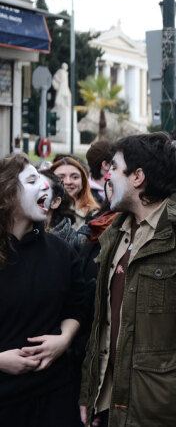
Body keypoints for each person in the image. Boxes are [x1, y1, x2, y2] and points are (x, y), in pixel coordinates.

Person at [78, 132, 176, 427]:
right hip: (112, 406)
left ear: (138, 177)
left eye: (115, 167)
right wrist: (91, 394)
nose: (106, 175)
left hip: (166, 411)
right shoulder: (114, 232)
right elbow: (103, 326)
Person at [0, 154, 86, 426]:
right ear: (7, 191)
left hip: (53, 395)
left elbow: (79, 305)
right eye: (31, 180)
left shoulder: (60, 251)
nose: (46, 186)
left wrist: (64, 340)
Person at [51, 156, 100, 228]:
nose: (68, 182)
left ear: (83, 181)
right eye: (60, 177)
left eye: (75, 177)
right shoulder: (41, 211)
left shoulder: (94, 214)